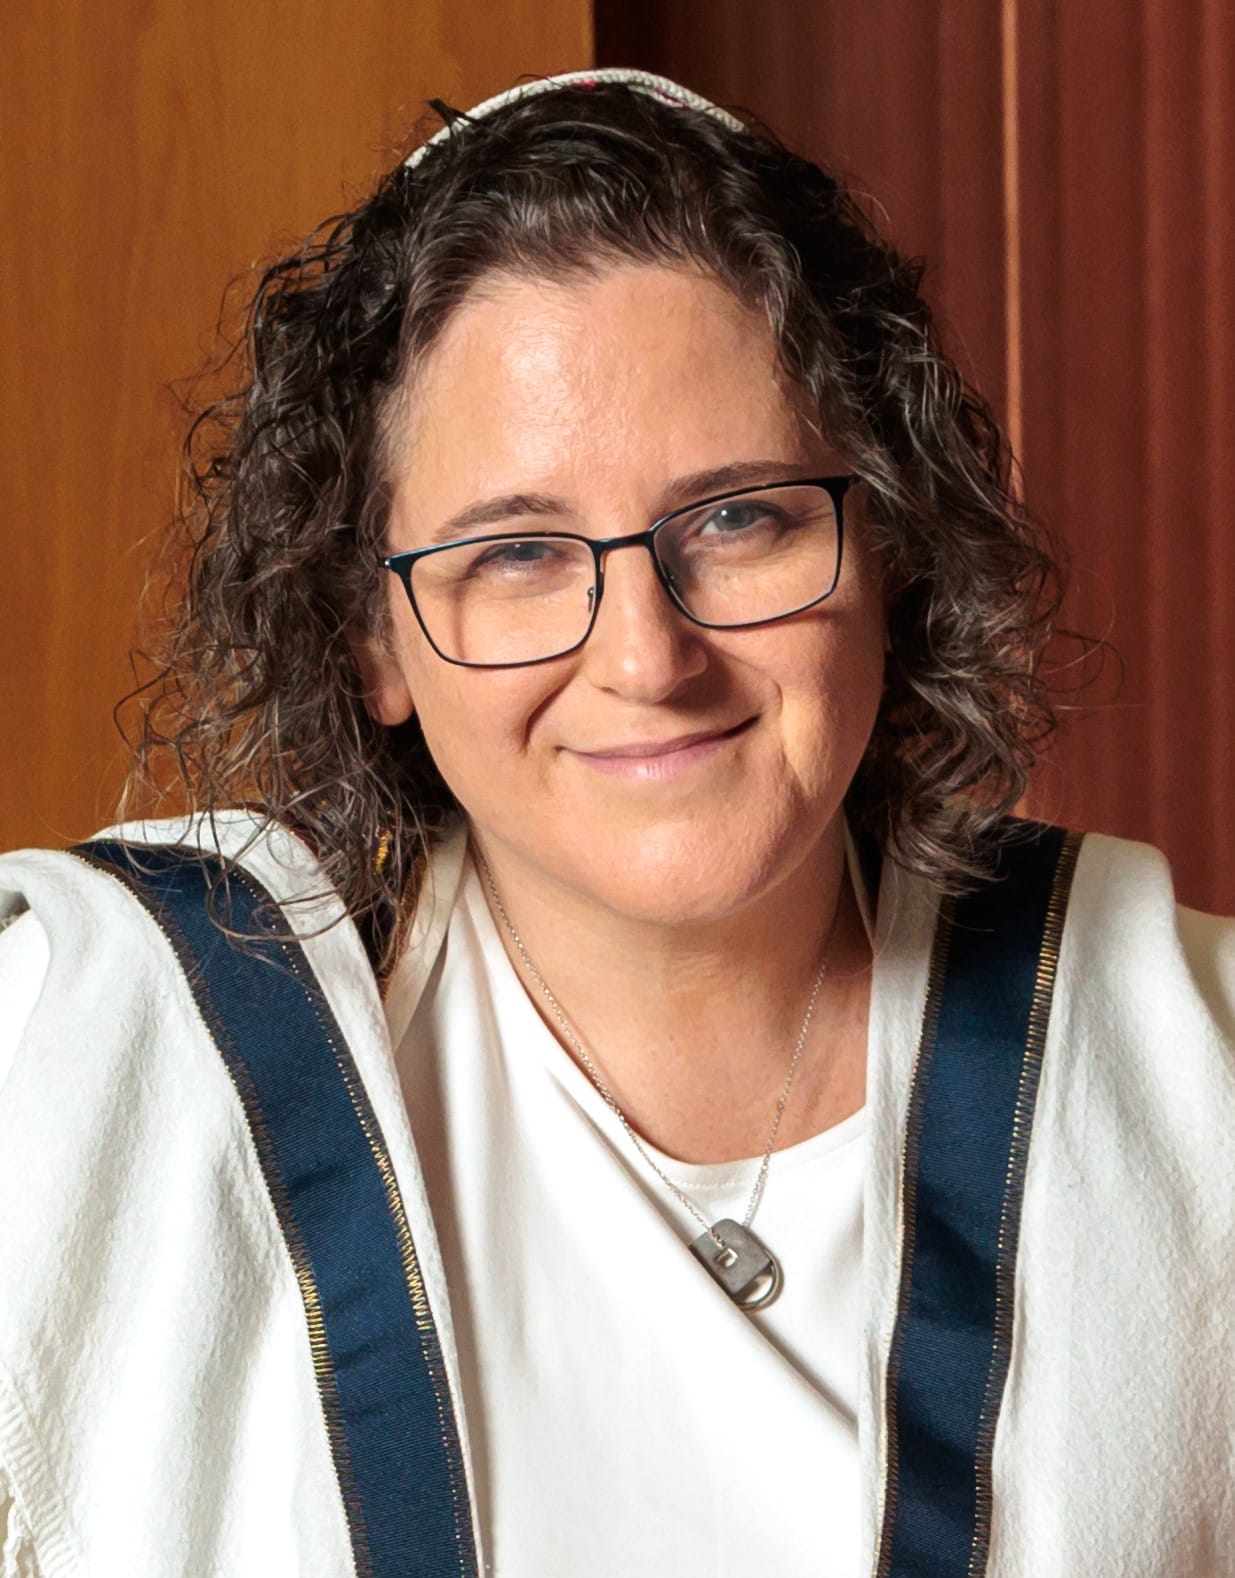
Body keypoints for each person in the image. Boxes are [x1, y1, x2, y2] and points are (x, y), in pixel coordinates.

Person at [0, 67, 1232, 1578]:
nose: (647, 656)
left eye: (740, 518)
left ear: (891, 542)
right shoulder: (93, 1055)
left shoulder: (1187, 1068)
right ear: (370, 638)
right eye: (516, 552)